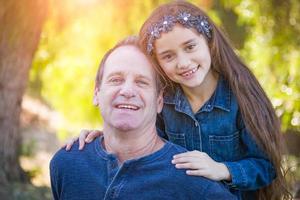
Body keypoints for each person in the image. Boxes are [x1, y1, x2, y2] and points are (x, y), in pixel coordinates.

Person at [64, 1, 290, 199]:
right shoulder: (165, 102)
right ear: (158, 63)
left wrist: (222, 169)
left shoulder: (240, 98)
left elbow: (266, 167)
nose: (183, 63)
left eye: (190, 47)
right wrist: (106, 136)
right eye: (168, 56)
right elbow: (144, 143)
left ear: (209, 42)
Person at [50, 36, 236, 200]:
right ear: (97, 93)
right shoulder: (66, 164)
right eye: (116, 79)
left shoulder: (193, 181)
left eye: (142, 82)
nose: (128, 91)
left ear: (159, 101)